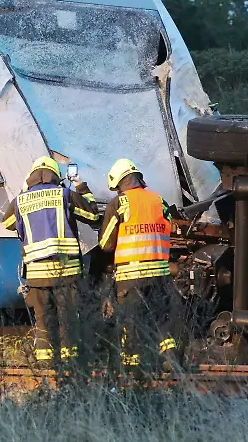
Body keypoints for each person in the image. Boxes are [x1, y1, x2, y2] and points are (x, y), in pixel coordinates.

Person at [1, 156, 100, 365]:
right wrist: (81, 186)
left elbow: (8, 223)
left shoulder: (21, 201)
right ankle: (71, 368)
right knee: (67, 321)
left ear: (32, 176)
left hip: (37, 276)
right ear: (56, 176)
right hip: (66, 272)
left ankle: (46, 370)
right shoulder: (64, 194)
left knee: (43, 322)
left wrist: (22, 194)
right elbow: (92, 216)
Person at [98, 158, 181, 372]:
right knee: (161, 319)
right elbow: (170, 227)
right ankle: (170, 358)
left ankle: (133, 372)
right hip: (160, 274)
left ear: (119, 183)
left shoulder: (120, 203)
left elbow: (106, 244)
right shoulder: (159, 201)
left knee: (131, 323)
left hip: (131, 276)